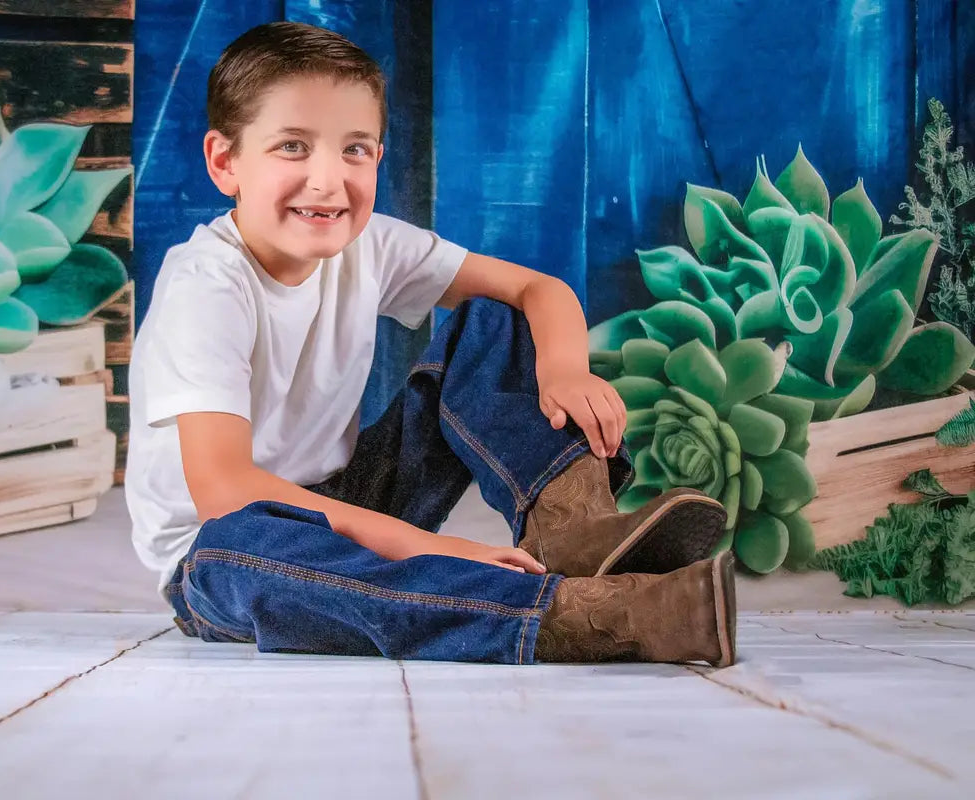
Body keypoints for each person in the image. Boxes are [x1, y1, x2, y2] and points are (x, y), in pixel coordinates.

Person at [125, 21, 736, 667]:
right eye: (293, 147)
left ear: (380, 156)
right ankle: (594, 616)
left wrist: (563, 369)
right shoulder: (205, 286)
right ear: (225, 162)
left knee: (493, 319)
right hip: (222, 549)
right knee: (240, 552)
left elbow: (537, 289)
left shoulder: (372, 243)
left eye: (354, 149)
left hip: (346, 498)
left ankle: (572, 529)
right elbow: (224, 490)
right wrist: (434, 548)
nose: (329, 180)